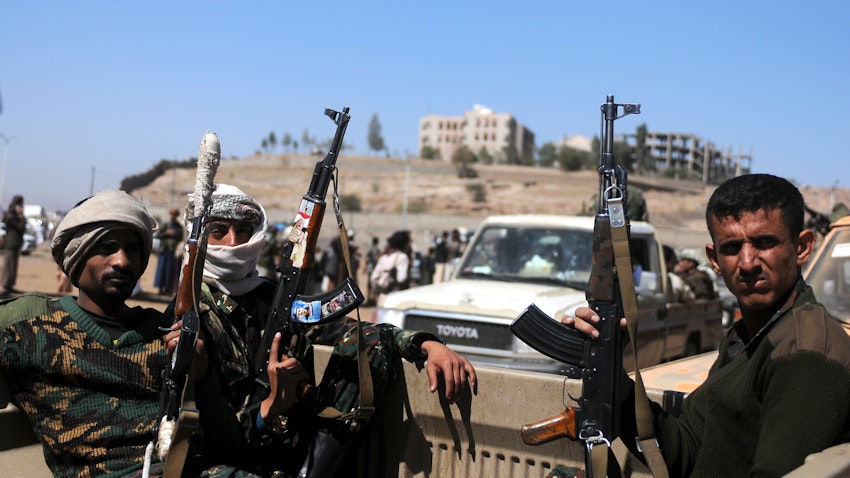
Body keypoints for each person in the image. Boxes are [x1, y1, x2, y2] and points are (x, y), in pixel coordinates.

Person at [171, 184, 477, 477]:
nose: (233, 241)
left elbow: (356, 330)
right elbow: (202, 434)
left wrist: (426, 345)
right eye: (218, 231)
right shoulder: (187, 316)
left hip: (292, 452)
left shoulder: (272, 299)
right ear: (199, 237)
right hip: (226, 461)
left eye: (243, 231)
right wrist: (268, 409)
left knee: (368, 344)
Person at [563, 174, 850, 477]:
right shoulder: (749, 336)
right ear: (714, 259)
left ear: (802, 247)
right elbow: (685, 448)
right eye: (732, 247)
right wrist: (612, 376)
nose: (748, 261)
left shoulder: (804, 351)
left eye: (765, 243)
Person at [0, 189, 240, 477]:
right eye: (107, 248)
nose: (122, 262)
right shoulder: (25, 326)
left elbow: (232, 448)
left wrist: (202, 379)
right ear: (78, 254)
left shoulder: (166, 333)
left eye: (133, 250)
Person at [370, 230, 411, 306]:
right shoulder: (402, 257)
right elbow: (401, 278)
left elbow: (373, 278)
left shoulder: (383, 258)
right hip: (396, 297)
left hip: (382, 296)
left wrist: (377, 291)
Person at [153, 207, 185, 295]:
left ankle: (168, 288)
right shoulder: (165, 225)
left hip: (172, 251)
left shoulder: (178, 227)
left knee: (170, 270)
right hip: (164, 249)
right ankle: (160, 288)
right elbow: (159, 235)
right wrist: (166, 233)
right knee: (161, 268)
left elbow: (180, 236)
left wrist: (174, 234)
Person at [1, 195, 27, 296]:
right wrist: (21, 216)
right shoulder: (11, 217)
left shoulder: (13, 216)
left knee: (13, 265)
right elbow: (20, 227)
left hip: (15, 244)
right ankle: (4, 285)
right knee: (8, 265)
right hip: (10, 244)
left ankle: (9, 285)